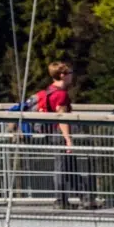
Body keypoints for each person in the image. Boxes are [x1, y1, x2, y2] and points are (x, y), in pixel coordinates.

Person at [39, 62, 94, 210]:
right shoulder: (61, 94)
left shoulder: (49, 91)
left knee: (69, 167)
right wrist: (68, 139)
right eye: (69, 73)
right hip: (60, 134)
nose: (72, 76)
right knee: (63, 168)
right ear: (62, 75)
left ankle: (84, 198)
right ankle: (61, 200)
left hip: (53, 133)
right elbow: (62, 118)